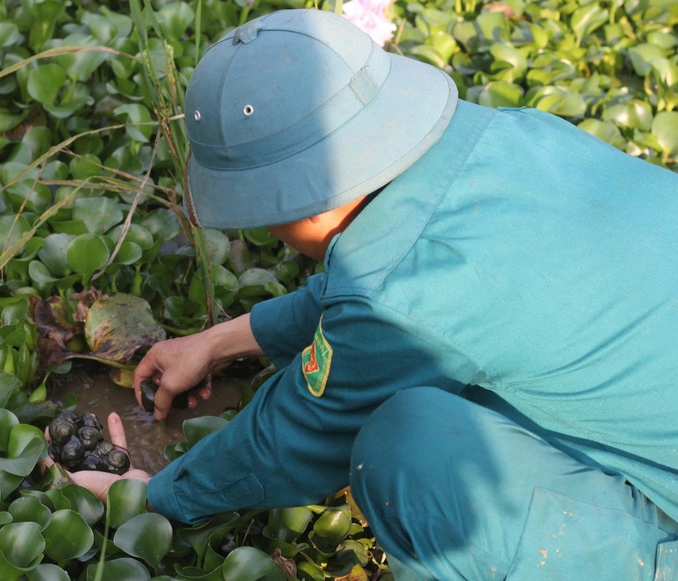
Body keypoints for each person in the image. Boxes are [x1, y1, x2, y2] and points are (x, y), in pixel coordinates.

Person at [69, 8, 678, 579]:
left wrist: (151, 496)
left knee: (410, 452)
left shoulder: (400, 298)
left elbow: (295, 436)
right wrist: (222, 340)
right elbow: (406, 285)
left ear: (297, 206)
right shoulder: (502, 135)